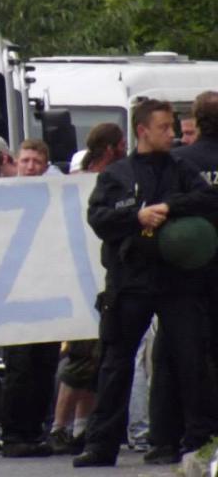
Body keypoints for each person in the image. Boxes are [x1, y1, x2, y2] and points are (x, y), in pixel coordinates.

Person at [73, 99, 218, 468]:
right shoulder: (117, 174)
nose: (171, 134)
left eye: (173, 127)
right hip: (130, 280)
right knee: (115, 363)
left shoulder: (182, 168)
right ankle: (101, 443)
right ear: (143, 131)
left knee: (191, 360)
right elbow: (99, 216)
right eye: (164, 127)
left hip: (177, 281)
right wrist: (136, 215)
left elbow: (207, 199)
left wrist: (169, 207)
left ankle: (198, 440)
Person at [146, 91, 218, 463]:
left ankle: (164, 439)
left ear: (196, 120)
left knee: (173, 355)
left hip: (182, 273)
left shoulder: (177, 162)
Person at [48, 124, 126, 456]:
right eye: (120, 144)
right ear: (110, 148)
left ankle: (82, 426)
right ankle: (59, 427)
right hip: (79, 275)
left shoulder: (116, 175)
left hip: (103, 274)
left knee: (98, 356)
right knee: (80, 357)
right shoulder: (85, 178)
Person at [0, 139, 60, 459]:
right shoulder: (3, 195)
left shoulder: (57, 196)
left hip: (47, 292)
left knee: (44, 366)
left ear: (45, 164)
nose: (30, 167)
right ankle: (13, 433)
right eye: (25, 161)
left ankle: (35, 431)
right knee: (19, 367)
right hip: (13, 295)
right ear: (16, 162)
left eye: (37, 161)